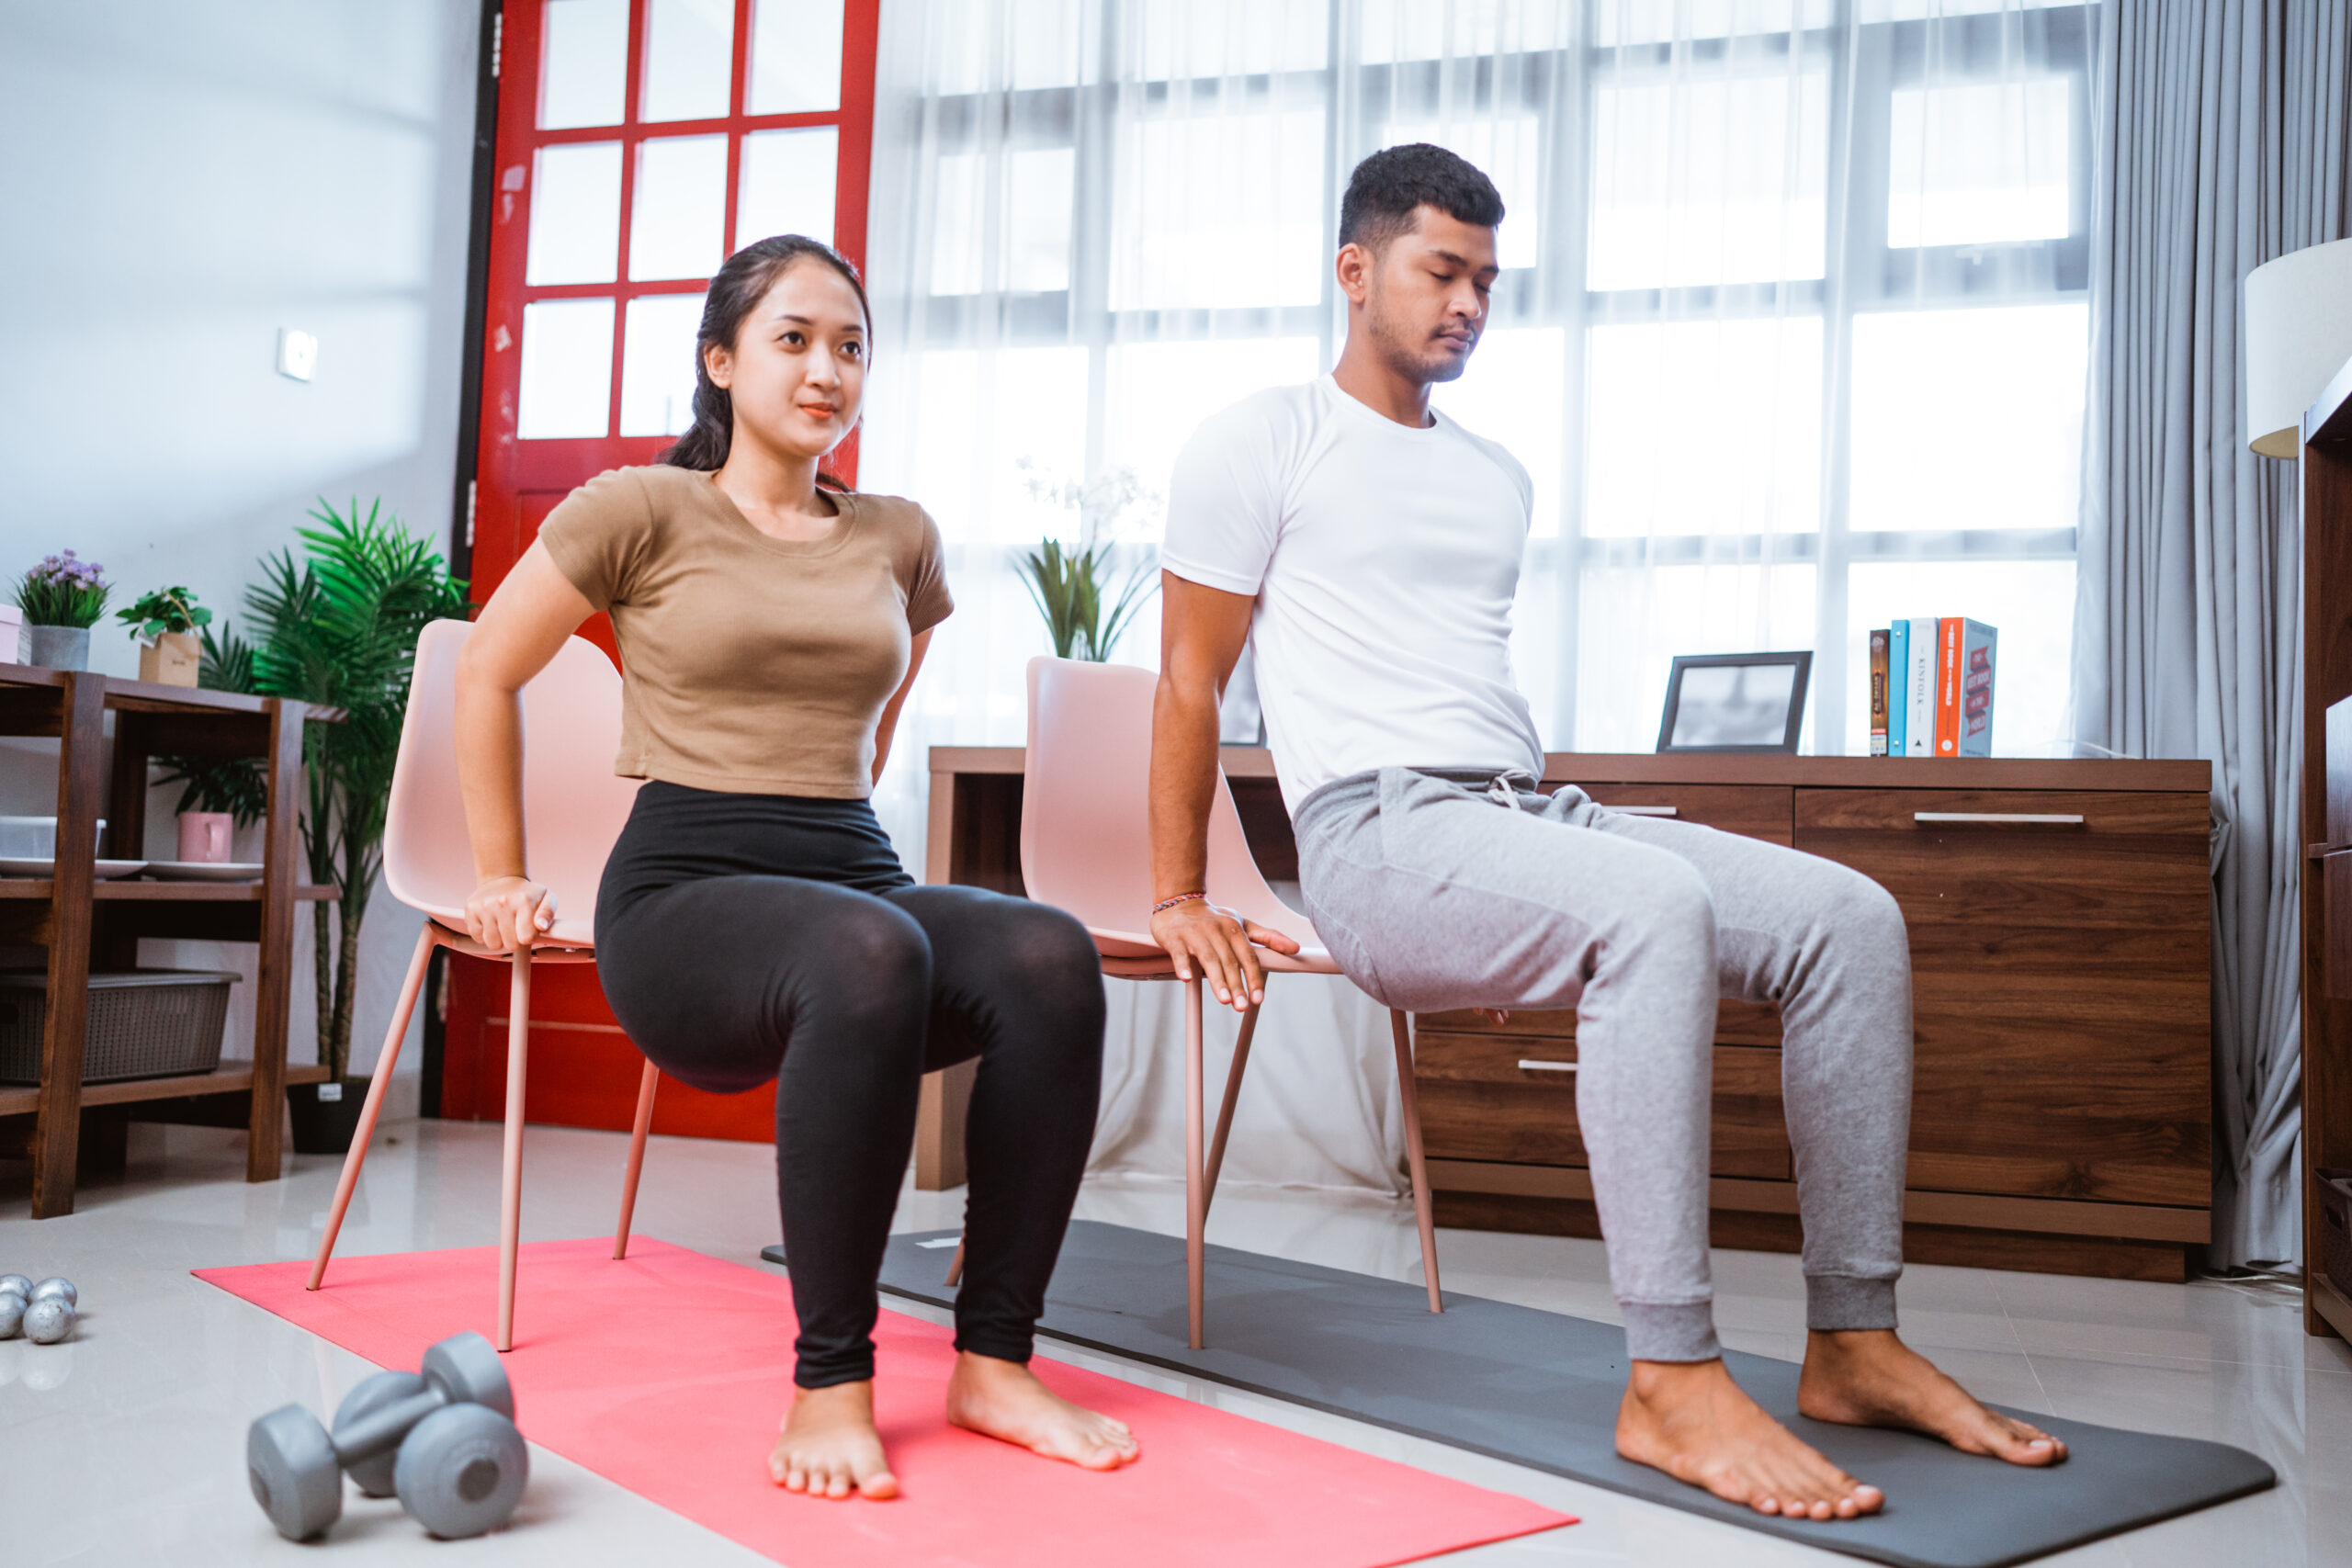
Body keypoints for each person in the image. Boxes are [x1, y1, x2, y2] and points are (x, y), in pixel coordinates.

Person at [1146, 146, 2066, 1522]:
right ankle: (1669, 1373)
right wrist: (1175, 887)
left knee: (1848, 922)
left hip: (1516, 809)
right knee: (1652, 912)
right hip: (1378, 838)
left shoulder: (1496, 474)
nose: (1467, 303)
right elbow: (1189, 681)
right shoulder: (1260, 437)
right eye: (1439, 271)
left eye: (1486, 282)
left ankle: (1854, 1340)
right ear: (1356, 271)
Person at [454, 235, 1139, 1501]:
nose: (827, 368)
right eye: (793, 340)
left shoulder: (895, 535)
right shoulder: (637, 509)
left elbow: (884, 692)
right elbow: (485, 670)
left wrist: (833, 810)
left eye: (851, 346)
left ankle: (993, 1359)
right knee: (866, 946)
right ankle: (831, 1384)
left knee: (1047, 951)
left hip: (844, 874)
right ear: (720, 362)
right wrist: (499, 869)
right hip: (682, 901)